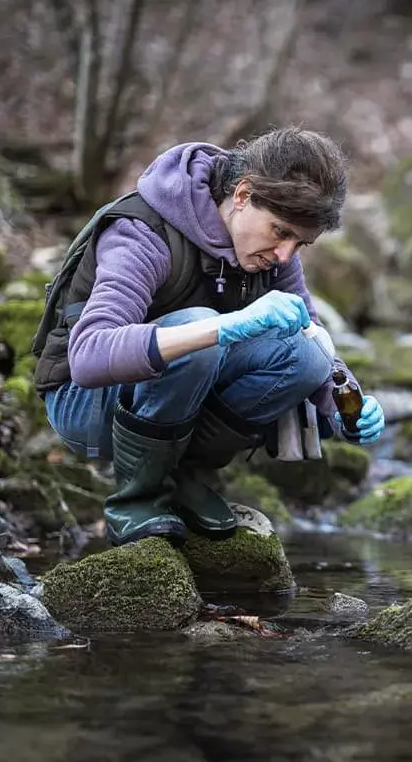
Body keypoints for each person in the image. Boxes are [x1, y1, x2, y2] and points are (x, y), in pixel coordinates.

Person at [33, 127, 385, 547]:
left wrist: (348, 406)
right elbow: (89, 357)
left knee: (307, 358)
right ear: (242, 195)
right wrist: (221, 328)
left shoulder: (272, 256)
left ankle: (184, 480)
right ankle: (136, 501)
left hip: (176, 387)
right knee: (198, 337)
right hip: (83, 401)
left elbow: (313, 337)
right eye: (280, 232)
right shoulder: (143, 232)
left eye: (300, 243)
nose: (286, 254)